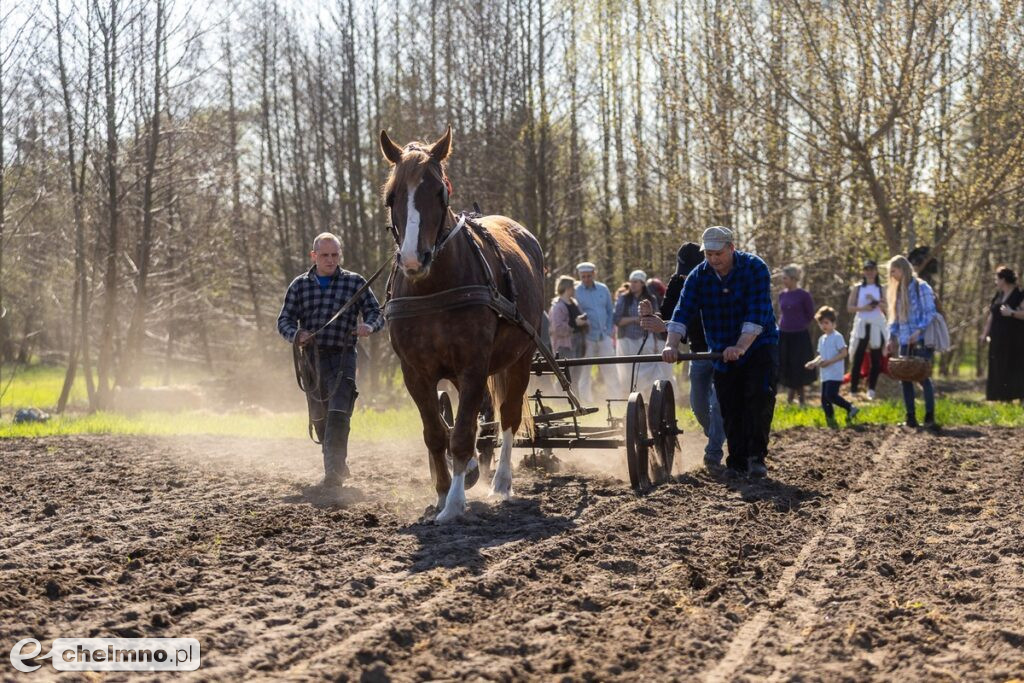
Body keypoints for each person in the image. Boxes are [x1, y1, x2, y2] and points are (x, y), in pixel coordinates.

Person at [662, 227, 779, 479]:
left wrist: (740, 346)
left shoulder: (755, 268)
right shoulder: (698, 276)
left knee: (758, 397)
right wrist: (671, 344)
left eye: (718, 254)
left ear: (731, 248)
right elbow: (682, 312)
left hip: (759, 343)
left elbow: (757, 313)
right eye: (709, 254)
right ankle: (736, 463)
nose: (714, 260)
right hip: (721, 347)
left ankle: (756, 458)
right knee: (729, 405)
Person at [277, 232, 384, 487]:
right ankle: (335, 461)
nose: (330, 260)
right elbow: (284, 321)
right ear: (314, 256)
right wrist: (296, 334)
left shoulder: (354, 282)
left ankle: (333, 472)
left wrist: (369, 326)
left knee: (338, 409)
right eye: (324, 255)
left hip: (343, 355)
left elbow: (376, 312)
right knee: (319, 416)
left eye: (334, 255)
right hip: (311, 359)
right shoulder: (299, 285)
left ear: (340, 255)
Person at [640, 242, 725, 470]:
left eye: (690, 272)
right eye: (683, 272)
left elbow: (698, 318)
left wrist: (667, 325)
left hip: (721, 352)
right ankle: (719, 434)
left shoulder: (717, 282)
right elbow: (668, 314)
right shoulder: (677, 283)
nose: (686, 277)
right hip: (697, 352)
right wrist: (652, 317)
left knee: (718, 403)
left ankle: (713, 453)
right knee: (698, 405)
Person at [886, 255, 938, 431]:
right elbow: (895, 317)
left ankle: (929, 418)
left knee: (923, 377)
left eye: (894, 271)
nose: (892, 275)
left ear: (902, 269)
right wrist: (891, 338)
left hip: (920, 340)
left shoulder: (921, 287)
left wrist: (919, 331)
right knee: (905, 378)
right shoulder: (898, 290)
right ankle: (911, 418)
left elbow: (930, 312)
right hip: (904, 340)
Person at [805, 306, 860, 429]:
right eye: (821, 323)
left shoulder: (837, 336)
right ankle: (830, 421)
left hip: (835, 373)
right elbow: (820, 356)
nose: (823, 326)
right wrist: (813, 362)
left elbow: (844, 353)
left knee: (831, 395)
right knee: (824, 400)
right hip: (825, 374)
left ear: (833, 323)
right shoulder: (822, 339)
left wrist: (830, 362)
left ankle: (851, 407)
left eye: (826, 323)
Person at [574, 262, 621, 402]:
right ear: (580, 276)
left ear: (594, 274)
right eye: (583, 277)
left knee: (611, 371)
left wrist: (608, 330)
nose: (586, 279)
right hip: (586, 337)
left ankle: (616, 401)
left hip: (604, 336)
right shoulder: (576, 291)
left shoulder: (603, 289)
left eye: (589, 276)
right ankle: (586, 402)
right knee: (585, 372)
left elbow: (609, 311)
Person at [847, 259, 888, 400]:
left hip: (877, 324)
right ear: (863, 271)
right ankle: (853, 390)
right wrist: (863, 308)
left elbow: (887, 307)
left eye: (872, 269)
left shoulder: (881, 288)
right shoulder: (858, 288)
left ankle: (871, 390)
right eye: (867, 269)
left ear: (876, 271)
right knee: (857, 357)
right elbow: (850, 307)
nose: (869, 272)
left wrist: (877, 302)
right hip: (862, 324)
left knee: (876, 358)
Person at [614, 270, 661, 393]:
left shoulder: (651, 299)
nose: (633, 284)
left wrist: (656, 341)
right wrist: (635, 319)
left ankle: (647, 397)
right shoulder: (624, 299)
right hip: (626, 340)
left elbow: (656, 319)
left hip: (645, 339)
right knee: (627, 372)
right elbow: (617, 319)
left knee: (648, 369)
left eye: (636, 282)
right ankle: (630, 398)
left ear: (642, 283)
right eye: (631, 282)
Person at [982, 266, 1024, 402]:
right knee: (998, 366)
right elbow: (991, 316)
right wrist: (984, 334)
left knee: (1014, 366)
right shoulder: (998, 295)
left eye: (997, 278)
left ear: (1004, 279)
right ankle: (1003, 398)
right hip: (998, 339)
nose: (995, 281)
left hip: (1015, 339)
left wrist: (1011, 313)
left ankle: (1018, 397)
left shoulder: (1020, 294)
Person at [777, 264, 816, 405]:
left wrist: (800, 324)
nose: (783, 280)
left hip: (799, 335)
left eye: (785, 278)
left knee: (798, 366)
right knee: (787, 366)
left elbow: (810, 314)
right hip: (784, 334)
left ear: (793, 278)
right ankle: (789, 399)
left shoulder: (803, 295)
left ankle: (801, 401)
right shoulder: (782, 295)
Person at [549, 275, 588, 389]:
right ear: (568, 288)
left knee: (576, 376)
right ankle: (561, 401)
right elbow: (557, 329)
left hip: (578, 342)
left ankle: (575, 399)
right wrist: (574, 324)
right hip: (565, 346)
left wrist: (584, 322)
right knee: (565, 376)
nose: (575, 290)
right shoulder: (558, 307)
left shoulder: (574, 303)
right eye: (573, 287)